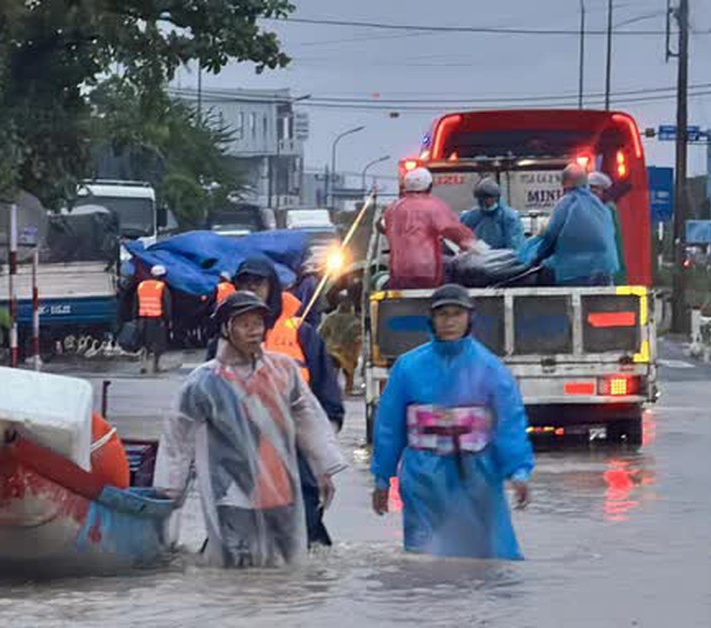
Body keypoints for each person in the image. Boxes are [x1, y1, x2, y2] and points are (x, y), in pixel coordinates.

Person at [155, 291, 347, 568]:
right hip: (231, 491)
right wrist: (170, 490)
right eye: (244, 324)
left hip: (279, 489)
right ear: (226, 328)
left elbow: (308, 417)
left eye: (258, 324)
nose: (254, 332)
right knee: (235, 571)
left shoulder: (283, 370)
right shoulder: (204, 382)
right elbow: (178, 437)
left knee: (286, 567)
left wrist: (323, 467)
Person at [371, 284, 533, 560]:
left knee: (489, 554)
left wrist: (518, 472)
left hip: (477, 474)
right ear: (431, 320)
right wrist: (382, 479)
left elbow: (509, 425)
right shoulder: (408, 367)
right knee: (425, 558)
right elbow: (389, 427)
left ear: (469, 318)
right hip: (423, 475)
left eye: (456, 314)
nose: (449, 322)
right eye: (442, 314)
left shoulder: (490, 368)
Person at [208, 257, 346, 547]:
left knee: (303, 536)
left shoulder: (302, 334)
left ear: (271, 286)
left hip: (295, 453)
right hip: (239, 454)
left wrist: (322, 464)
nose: (251, 288)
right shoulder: (219, 346)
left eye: (258, 283)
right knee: (231, 538)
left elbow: (325, 404)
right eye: (244, 283)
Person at [383, 167, 484, 289]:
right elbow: (451, 229)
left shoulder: (393, 208)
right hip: (426, 270)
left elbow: (385, 228)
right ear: (430, 186)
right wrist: (475, 245)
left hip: (398, 271)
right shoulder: (433, 206)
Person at [529, 164, 620, 286]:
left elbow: (552, 234)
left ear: (564, 184)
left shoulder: (567, 201)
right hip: (606, 268)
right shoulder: (602, 207)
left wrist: (537, 257)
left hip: (576, 271)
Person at [460, 178, 524, 251]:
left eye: (488, 197)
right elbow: (462, 239)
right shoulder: (469, 217)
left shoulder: (509, 217)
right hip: (477, 258)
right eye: (481, 198)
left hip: (502, 259)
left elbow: (515, 246)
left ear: (496, 197)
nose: (484, 201)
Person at [587, 171, 628, 285]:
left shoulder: (608, 210)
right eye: (589, 188)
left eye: (596, 189)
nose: (592, 192)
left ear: (603, 192)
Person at [135, 265, 172, 374]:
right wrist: (168, 319)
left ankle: (144, 365)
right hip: (157, 319)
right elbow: (166, 305)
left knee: (144, 343)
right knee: (158, 344)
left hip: (142, 318)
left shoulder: (141, 285)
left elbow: (135, 304)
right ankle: (156, 366)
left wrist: (136, 318)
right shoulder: (161, 287)